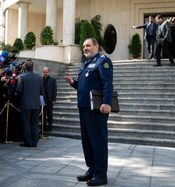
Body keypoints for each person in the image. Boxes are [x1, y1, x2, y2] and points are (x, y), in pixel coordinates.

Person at [64, 38, 113, 186]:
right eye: (84, 46)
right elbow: (84, 86)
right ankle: (92, 169)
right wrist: (73, 83)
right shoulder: (85, 64)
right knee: (87, 141)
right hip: (84, 106)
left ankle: (101, 174)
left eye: (88, 45)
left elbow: (107, 83)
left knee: (98, 141)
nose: (85, 48)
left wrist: (107, 102)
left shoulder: (103, 61)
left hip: (96, 108)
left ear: (96, 46)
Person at [16, 59, 44, 147]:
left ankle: (28, 142)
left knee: (26, 123)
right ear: (33, 67)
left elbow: (19, 90)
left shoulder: (22, 77)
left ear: (25, 68)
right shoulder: (39, 77)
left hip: (25, 104)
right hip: (36, 104)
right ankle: (35, 142)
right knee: (35, 124)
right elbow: (42, 91)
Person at [42, 67, 57, 132]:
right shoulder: (41, 79)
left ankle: (50, 126)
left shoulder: (53, 80)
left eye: (46, 72)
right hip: (42, 100)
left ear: (49, 72)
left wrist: (54, 99)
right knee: (43, 114)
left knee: (49, 113)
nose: (45, 73)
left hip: (50, 100)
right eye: (44, 72)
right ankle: (44, 127)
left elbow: (55, 90)